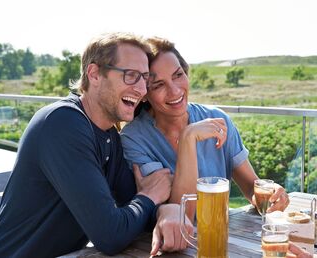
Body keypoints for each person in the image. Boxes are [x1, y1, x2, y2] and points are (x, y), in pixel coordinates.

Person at [0, 32, 176, 258]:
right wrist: (150, 197)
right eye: (131, 75)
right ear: (94, 74)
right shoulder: (62, 123)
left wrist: (164, 210)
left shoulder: (110, 135)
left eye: (144, 78)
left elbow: (132, 205)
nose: (142, 89)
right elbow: (111, 235)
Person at [120, 36, 290, 229]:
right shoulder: (134, 139)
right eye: (158, 85)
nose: (175, 91)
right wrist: (188, 138)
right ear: (144, 93)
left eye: (178, 75)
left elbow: (250, 186)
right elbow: (182, 216)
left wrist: (270, 194)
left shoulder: (218, 118)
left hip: (220, 234)